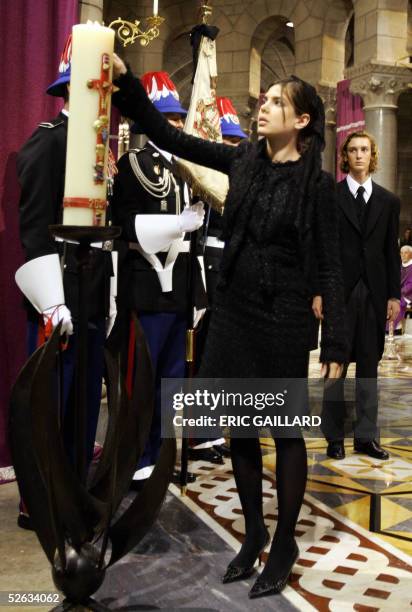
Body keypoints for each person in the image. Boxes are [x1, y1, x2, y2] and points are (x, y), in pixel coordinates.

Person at [111, 57, 345, 599]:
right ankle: (255, 530)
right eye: (264, 101)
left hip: (284, 317)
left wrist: (334, 336)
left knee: (284, 433)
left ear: (304, 120)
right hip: (234, 310)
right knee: (239, 426)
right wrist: (127, 83)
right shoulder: (242, 160)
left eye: (277, 103)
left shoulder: (319, 186)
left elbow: (331, 265)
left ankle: (283, 540)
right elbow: (170, 135)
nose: (262, 107)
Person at [15, 37, 113, 528]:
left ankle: (72, 488)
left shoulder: (99, 149)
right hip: (59, 294)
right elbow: (34, 228)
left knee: (83, 404)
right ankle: (40, 498)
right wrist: (52, 302)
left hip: (94, 292)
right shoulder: (50, 140)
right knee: (52, 400)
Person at [110, 71, 207, 488]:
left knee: (172, 381)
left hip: (182, 286)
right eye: (164, 118)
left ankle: (162, 453)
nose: (172, 125)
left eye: (174, 118)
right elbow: (124, 225)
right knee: (144, 381)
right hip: (149, 285)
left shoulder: (190, 170)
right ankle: (139, 456)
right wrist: (175, 224)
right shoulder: (133, 165)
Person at [321, 130, 401, 461]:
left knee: (369, 365)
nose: (358, 155)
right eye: (352, 150)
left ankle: (366, 436)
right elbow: (322, 248)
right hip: (339, 291)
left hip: (374, 292)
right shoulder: (330, 197)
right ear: (344, 157)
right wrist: (318, 291)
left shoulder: (388, 201)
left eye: (364, 150)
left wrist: (394, 296)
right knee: (336, 365)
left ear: (372, 156)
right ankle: (334, 437)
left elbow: (390, 252)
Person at [190, 96, 249, 462]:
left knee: (220, 359)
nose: (233, 148)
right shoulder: (204, 175)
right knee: (202, 358)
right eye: (227, 141)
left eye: (236, 142)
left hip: (229, 267)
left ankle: (210, 432)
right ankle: (198, 435)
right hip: (206, 268)